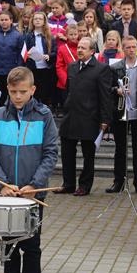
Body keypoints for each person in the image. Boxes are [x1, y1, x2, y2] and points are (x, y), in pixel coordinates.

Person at [0, 66, 58, 273]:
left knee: (31, 247)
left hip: (33, 195)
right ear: (8, 89)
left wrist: (35, 185)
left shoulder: (44, 115)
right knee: (9, 246)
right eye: (14, 91)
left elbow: (50, 153)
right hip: (7, 195)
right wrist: (2, 185)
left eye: (23, 92)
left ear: (33, 90)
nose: (17, 96)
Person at [55, 37, 112, 196]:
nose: (79, 50)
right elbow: (68, 90)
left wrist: (105, 120)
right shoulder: (72, 67)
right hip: (71, 117)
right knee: (67, 152)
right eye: (79, 47)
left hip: (90, 118)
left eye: (83, 48)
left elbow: (105, 96)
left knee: (88, 155)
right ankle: (68, 184)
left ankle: (85, 186)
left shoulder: (101, 69)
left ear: (92, 51)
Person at [107, 35, 137, 194]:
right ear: (123, 49)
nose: (131, 50)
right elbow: (108, 88)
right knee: (120, 149)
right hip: (121, 113)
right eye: (127, 47)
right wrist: (117, 90)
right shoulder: (115, 67)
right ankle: (118, 181)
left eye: (133, 47)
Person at [0, 10, 24, 107]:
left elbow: (21, 53)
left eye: (6, 20)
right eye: (2, 20)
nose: (4, 22)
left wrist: (19, 69)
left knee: (11, 95)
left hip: (11, 71)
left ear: (11, 21)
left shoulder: (18, 35)